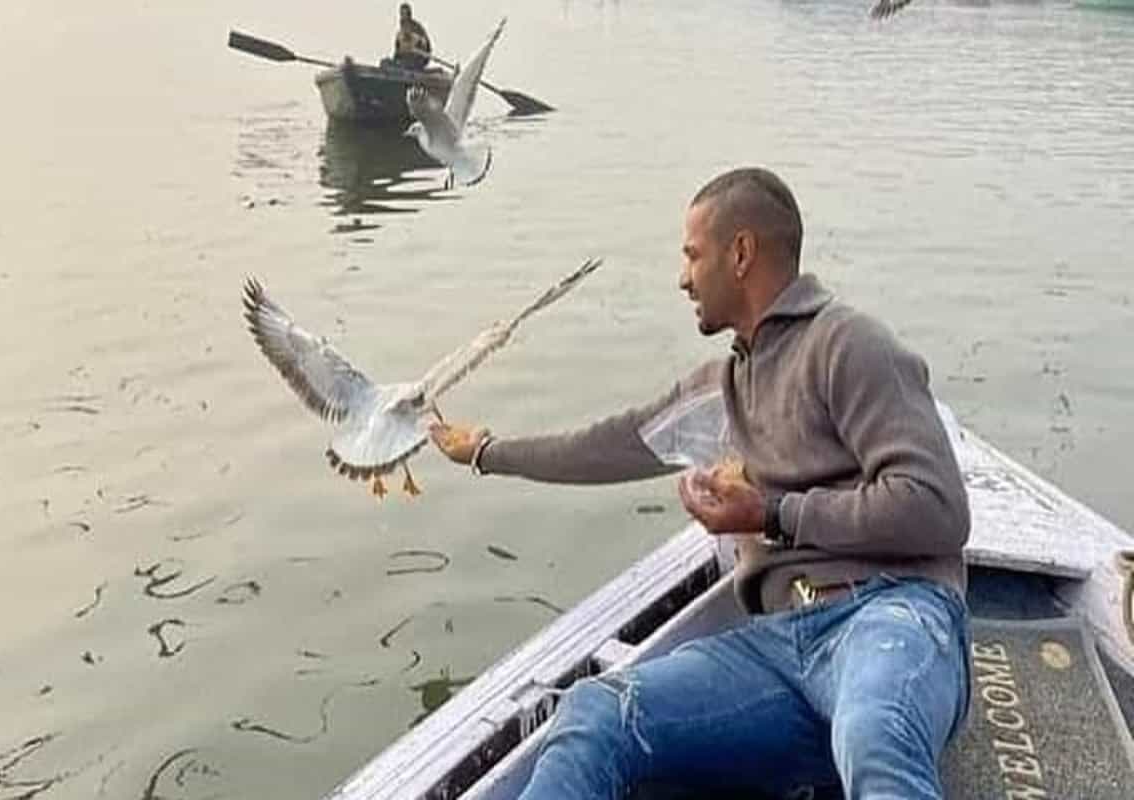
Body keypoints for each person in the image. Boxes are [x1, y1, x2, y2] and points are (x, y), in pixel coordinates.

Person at [428, 166, 973, 799]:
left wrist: (770, 513)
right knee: (598, 712)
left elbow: (937, 508)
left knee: (874, 729)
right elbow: (610, 447)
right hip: (779, 652)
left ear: (739, 254)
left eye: (692, 255)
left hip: (890, 614)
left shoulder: (847, 343)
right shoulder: (723, 388)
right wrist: (487, 452)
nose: (682, 278)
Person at [392, 3, 432, 70]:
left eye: (405, 13)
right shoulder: (400, 34)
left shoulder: (417, 29)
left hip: (416, 60)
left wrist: (416, 44)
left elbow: (426, 47)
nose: (403, 16)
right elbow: (397, 50)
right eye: (402, 13)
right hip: (404, 60)